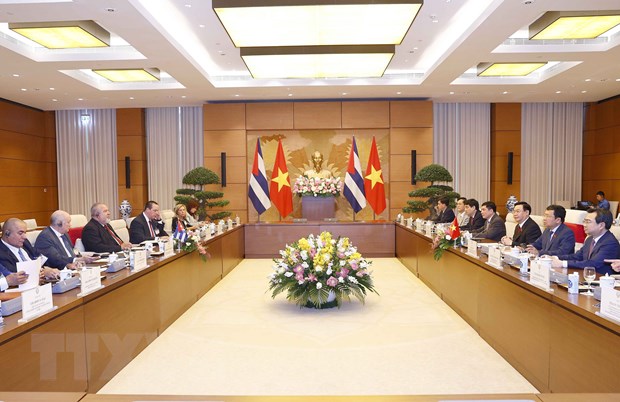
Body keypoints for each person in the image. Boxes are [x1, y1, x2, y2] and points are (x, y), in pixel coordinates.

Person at [551, 208, 619, 274]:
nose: (584, 225)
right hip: (587, 276)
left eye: (588, 222)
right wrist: (556, 257)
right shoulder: (590, 239)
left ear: (601, 225)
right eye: (584, 221)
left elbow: (593, 263)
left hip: (601, 278)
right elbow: (577, 256)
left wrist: (563, 263)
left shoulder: (610, 243)